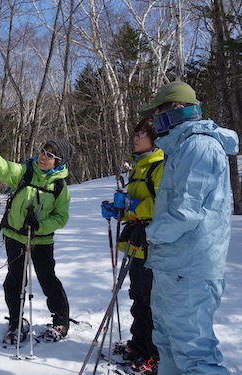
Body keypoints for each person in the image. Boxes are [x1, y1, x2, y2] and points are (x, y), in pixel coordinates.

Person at [138, 81, 239, 375]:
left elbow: (187, 211)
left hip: (190, 268)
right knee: (167, 344)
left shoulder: (200, 146)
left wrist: (150, 234)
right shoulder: (179, 148)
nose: (154, 120)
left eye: (157, 112)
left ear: (176, 110)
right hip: (172, 264)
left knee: (194, 354)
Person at [0, 138, 74, 345]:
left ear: (59, 162)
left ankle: (61, 319)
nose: (43, 157)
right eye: (43, 151)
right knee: (15, 280)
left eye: (50, 155)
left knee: (47, 279)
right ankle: (15, 322)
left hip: (42, 240)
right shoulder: (25, 172)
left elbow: (61, 218)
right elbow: (4, 168)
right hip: (15, 237)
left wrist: (39, 226)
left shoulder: (60, 187)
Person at [101, 118, 163, 374]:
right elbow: (135, 204)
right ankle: (138, 344)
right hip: (136, 239)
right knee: (137, 295)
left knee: (150, 299)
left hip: (153, 241)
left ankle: (153, 353)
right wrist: (120, 209)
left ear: (154, 138)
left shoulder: (160, 165)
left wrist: (136, 207)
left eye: (141, 134)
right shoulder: (138, 166)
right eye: (135, 133)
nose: (135, 138)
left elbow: (165, 205)